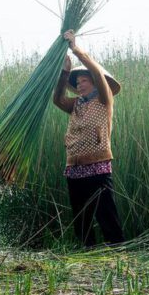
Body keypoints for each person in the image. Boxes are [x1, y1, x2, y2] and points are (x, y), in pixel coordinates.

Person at [53, 29, 125, 247]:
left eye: (85, 80)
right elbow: (57, 99)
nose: (80, 84)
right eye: (78, 82)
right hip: (74, 167)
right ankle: (88, 250)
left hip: (98, 166)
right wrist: (65, 73)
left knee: (106, 213)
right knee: (81, 216)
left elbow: (99, 74)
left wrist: (76, 50)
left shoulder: (104, 100)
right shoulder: (76, 105)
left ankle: (117, 249)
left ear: (94, 82)